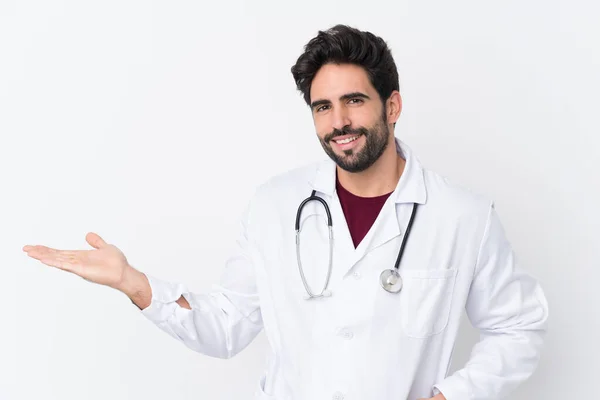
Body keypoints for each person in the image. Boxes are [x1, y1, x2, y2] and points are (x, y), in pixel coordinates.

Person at [22, 24, 548, 400]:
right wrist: (134, 283)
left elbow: (519, 327)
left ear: (392, 105)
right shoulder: (275, 206)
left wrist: (449, 396)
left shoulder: (463, 217)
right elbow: (226, 328)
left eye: (354, 101)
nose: (339, 121)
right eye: (323, 107)